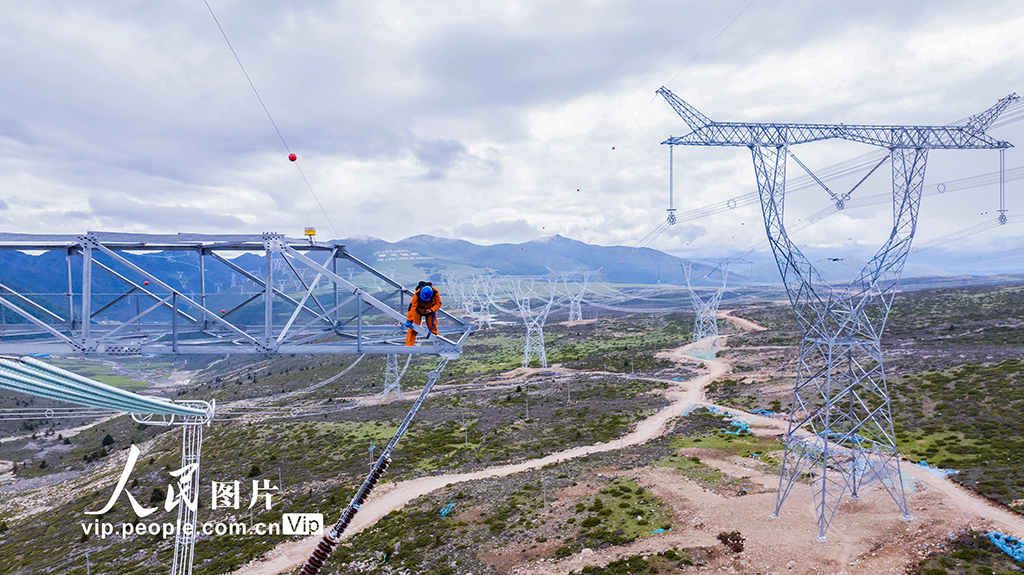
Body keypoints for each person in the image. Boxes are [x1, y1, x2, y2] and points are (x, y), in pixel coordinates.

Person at [405, 281, 441, 346]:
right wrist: (409, 319)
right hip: (418, 310)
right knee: (414, 328)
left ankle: (438, 346)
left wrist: (431, 310)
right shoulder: (417, 293)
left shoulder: (435, 292)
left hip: (429, 310)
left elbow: (438, 303)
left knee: (433, 330)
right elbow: (412, 306)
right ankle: (408, 347)